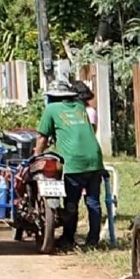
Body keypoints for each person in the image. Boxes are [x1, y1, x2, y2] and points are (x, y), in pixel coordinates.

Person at [35, 80, 105, 250]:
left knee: (71, 203)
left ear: (51, 97)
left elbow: (42, 137)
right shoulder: (80, 106)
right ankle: (93, 241)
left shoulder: (51, 109)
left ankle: (68, 239)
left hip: (74, 162)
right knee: (93, 201)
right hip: (95, 159)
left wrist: (37, 156)